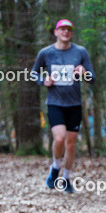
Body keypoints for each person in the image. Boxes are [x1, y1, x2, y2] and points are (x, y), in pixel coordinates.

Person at [31, 19, 94, 193]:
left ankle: (66, 178)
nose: (66, 32)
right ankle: (55, 167)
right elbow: (33, 73)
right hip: (55, 103)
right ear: (56, 32)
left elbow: (92, 78)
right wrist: (43, 80)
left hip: (74, 104)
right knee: (59, 138)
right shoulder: (46, 53)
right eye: (62, 29)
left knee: (71, 144)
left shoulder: (80, 52)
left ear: (72, 33)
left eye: (69, 29)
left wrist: (84, 73)